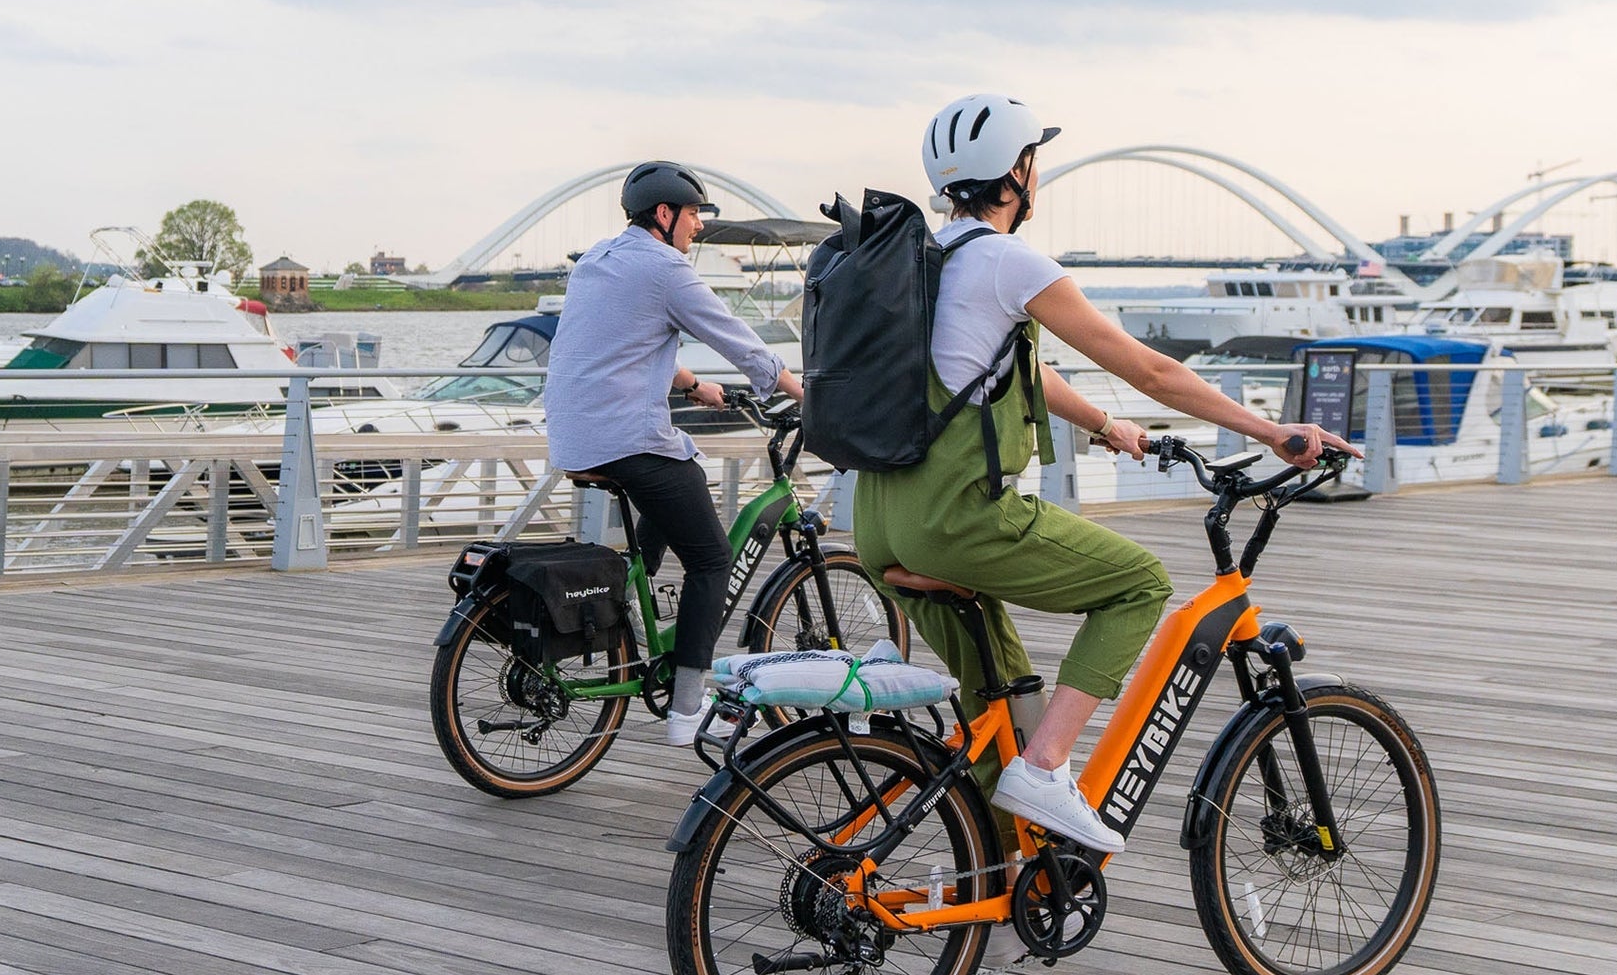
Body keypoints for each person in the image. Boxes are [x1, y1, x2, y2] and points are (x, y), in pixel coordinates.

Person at [854, 95, 1358, 854]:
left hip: (879, 521)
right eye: (1033, 162)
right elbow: (1153, 371)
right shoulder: (1009, 262)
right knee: (1139, 583)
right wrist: (1272, 432)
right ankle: (1047, 768)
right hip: (954, 519)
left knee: (1005, 700)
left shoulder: (923, 261)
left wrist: (1106, 426)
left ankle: (1003, 873)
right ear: (1014, 174)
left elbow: (1009, 368)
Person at [544, 160, 803, 746]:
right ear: (663, 214)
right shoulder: (666, 269)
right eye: (692, 214)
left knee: (683, 468)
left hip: (574, 435)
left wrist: (691, 384)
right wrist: (805, 395)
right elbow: (739, 341)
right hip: (624, 438)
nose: (699, 226)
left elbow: (618, 343)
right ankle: (688, 710)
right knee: (711, 558)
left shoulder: (597, 259)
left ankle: (634, 601)